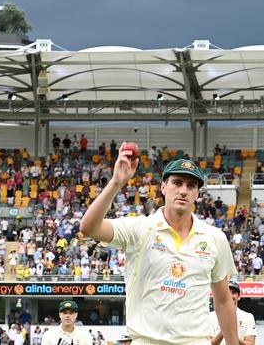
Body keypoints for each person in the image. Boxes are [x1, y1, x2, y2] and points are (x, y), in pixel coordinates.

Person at [80, 145, 239, 345]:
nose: (183, 191)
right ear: (163, 187)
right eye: (177, 183)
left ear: (197, 193)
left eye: (191, 186)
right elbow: (88, 228)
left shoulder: (215, 238)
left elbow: (223, 300)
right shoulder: (140, 228)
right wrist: (116, 182)